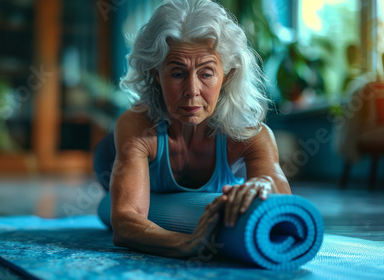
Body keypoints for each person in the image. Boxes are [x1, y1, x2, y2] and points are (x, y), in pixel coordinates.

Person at [93, 0, 291, 259]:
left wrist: (265, 184)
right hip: (111, 157)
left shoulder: (252, 136)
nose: (192, 90)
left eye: (207, 74)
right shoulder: (136, 126)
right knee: (107, 199)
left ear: (227, 75)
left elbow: (282, 199)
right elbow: (124, 222)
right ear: (156, 73)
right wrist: (185, 243)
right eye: (177, 74)